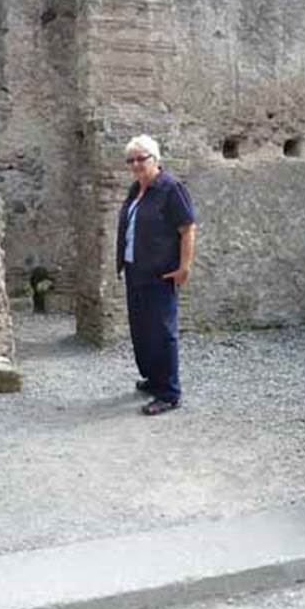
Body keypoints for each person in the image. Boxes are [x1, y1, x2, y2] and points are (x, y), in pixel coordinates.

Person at [116, 134, 197, 416]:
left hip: (160, 273)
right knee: (142, 330)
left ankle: (169, 393)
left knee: (162, 332)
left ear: (156, 159)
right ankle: (154, 379)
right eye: (131, 160)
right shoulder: (136, 189)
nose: (136, 164)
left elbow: (187, 228)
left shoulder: (170, 188)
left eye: (142, 158)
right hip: (135, 270)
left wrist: (184, 267)